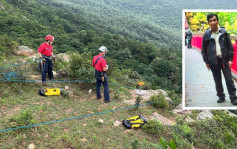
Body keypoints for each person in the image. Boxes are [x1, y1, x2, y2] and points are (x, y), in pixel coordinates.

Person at [202, 13, 237, 105]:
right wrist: (206, 61)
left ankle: (233, 97)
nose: (213, 22)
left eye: (214, 20)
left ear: (217, 21)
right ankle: (221, 96)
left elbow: (230, 47)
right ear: (208, 23)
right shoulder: (206, 35)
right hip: (213, 60)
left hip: (224, 60)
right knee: (217, 80)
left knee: (229, 80)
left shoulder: (224, 33)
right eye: (210, 21)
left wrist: (230, 59)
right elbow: (203, 50)